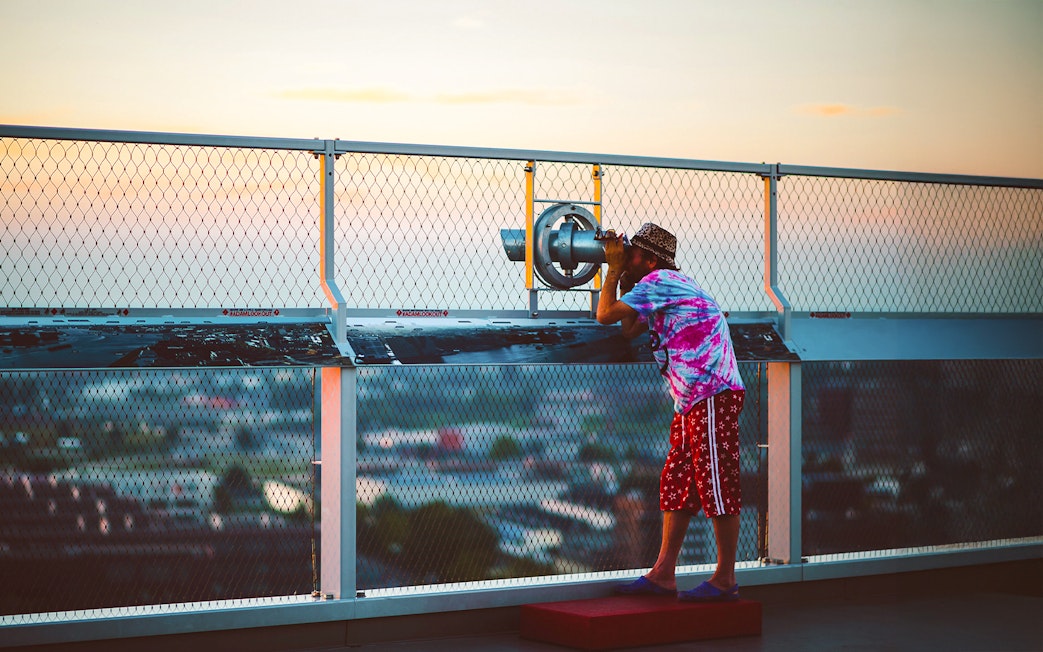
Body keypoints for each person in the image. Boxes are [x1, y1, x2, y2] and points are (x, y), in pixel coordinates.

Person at [595, 222, 746, 602]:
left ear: (648, 259)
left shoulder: (660, 281)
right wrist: (623, 275)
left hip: (711, 392)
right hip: (693, 399)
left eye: (629, 255)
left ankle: (725, 580)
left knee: (716, 479)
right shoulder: (663, 287)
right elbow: (630, 328)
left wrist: (613, 271)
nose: (623, 258)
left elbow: (605, 316)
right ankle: (663, 573)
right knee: (678, 480)